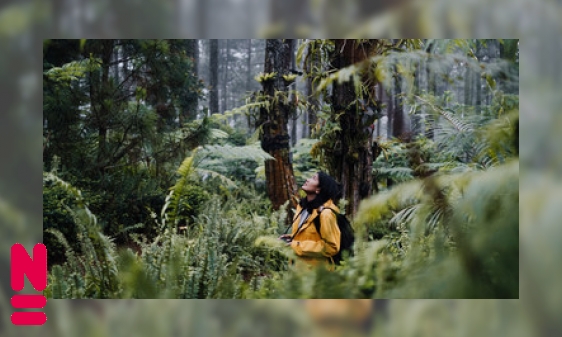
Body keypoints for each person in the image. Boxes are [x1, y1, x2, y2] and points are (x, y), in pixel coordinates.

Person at [279, 172, 341, 269]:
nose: (308, 180)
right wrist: (291, 238)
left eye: (314, 179)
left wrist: (297, 245)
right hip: (299, 269)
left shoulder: (326, 214)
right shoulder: (302, 207)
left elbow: (331, 247)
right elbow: (311, 235)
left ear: (318, 189)